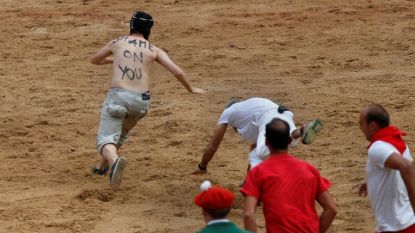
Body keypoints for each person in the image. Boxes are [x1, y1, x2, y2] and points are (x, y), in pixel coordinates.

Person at [89, 11, 205, 190]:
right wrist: (191, 89)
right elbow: (178, 71)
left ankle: (114, 162)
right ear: (148, 30)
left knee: (105, 139)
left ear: (131, 26)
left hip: (119, 97)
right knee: (119, 135)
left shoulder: (118, 42)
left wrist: (116, 59)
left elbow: (95, 60)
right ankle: (100, 167)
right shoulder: (154, 50)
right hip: (141, 102)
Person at [241, 118, 337, 233]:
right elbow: (331, 209)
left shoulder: (258, 172)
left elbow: (248, 214)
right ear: (289, 141)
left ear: (266, 142)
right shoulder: (308, 169)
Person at [192, 97, 322, 174]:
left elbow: (213, 145)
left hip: (268, 117)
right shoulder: (249, 110)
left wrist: (202, 166)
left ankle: (256, 193)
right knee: (290, 140)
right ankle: (301, 130)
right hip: (283, 113)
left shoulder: (229, 112)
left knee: (261, 153)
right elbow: (253, 149)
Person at [355, 104, 415, 232]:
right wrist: (372, 179)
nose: (360, 128)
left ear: (372, 126)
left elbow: (407, 167)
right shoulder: (398, 141)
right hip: (405, 222)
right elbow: (408, 168)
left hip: (395, 226)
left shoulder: (377, 147)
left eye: (361, 124)